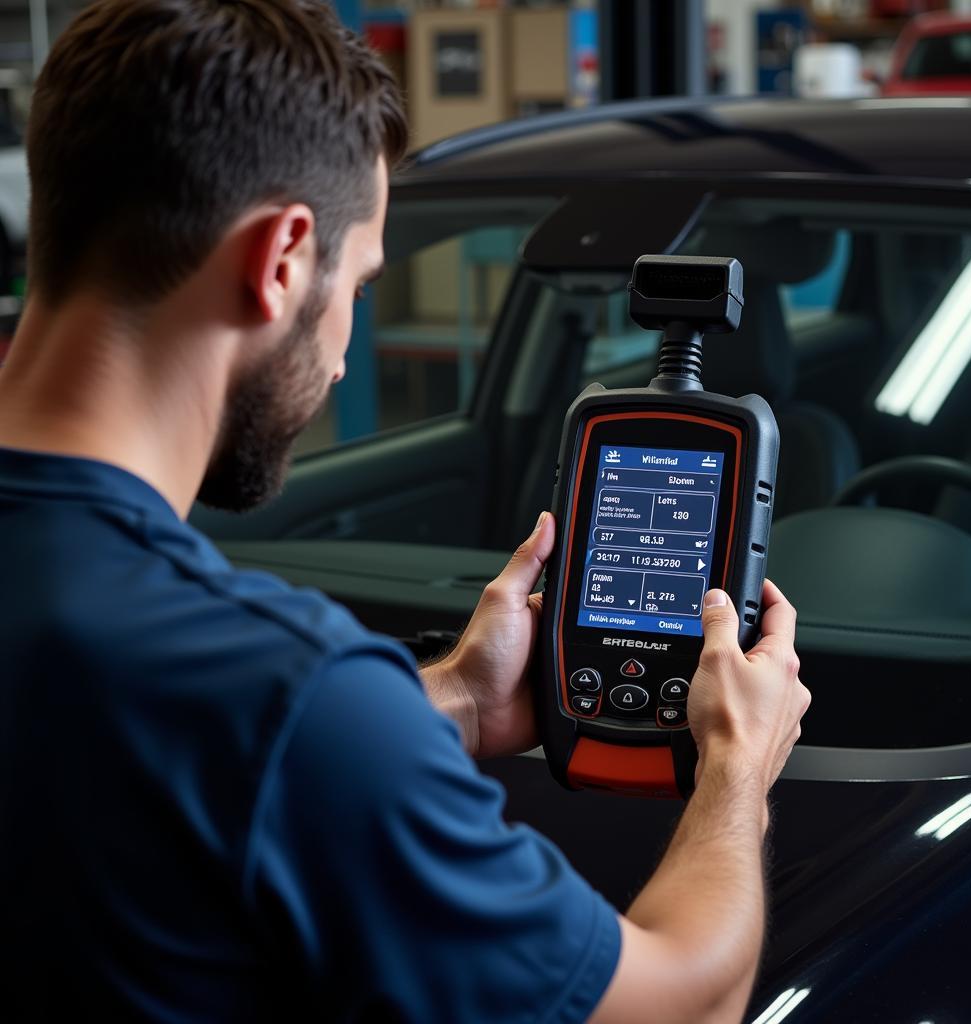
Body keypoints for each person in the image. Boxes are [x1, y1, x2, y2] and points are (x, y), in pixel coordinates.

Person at [0, 1, 811, 1021]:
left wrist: (461, 702)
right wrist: (737, 771)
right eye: (362, 286)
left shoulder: (212, 690)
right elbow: (678, 1006)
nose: (343, 355)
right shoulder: (280, 695)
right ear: (283, 259)